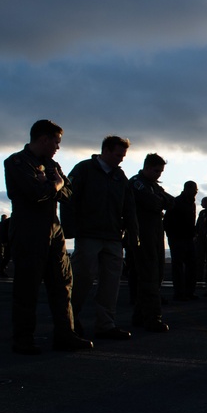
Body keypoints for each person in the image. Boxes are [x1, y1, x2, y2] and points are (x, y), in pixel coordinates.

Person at [3, 119, 92, 354]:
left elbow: (68, 192)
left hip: (53, 230)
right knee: (27, 289)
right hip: (28, 231)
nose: (58, 147)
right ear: (44, 139)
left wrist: (54, 184)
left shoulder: (52, 165)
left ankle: (65, 334)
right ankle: (23, 340)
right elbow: (34, 194)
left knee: (63, 285)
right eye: (56, 142)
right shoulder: (16, 162)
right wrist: (55, 185)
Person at [63, 136, 139, 340]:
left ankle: (105, 324)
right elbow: (68, 198)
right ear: (105, 150)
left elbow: (129, 207)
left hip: (113, 236)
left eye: (123, 155)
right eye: (118, 155)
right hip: (88, 235)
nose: (121, 159)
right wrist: (69, 229)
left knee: (111, 282)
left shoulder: (120, 176)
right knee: (82, 278)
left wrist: (133, 234)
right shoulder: (83, 170)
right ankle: (68, 321)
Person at [130, 153, 174, 332]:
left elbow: (170, 201)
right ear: (146, 167)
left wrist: (161, 201)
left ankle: (140, 315)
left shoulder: (152, 185)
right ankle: (153, 317)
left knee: (156, 275)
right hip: (143, 233)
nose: (159, 175)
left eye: (161, 171)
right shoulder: (136, 183)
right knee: (149, 276)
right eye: (156, 170)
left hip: (155, 233)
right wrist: (160, 201)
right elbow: (155, 202)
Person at [164, 180, 199, 301]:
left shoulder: (191, 203)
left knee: (191, 266)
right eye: (194, 190)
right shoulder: (176, 202)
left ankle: (188, 292)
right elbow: (167, 221)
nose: (195, 193)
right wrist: (172, 236)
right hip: (177, 238)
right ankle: (179, 292)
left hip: (188, 238)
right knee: (178, 267)